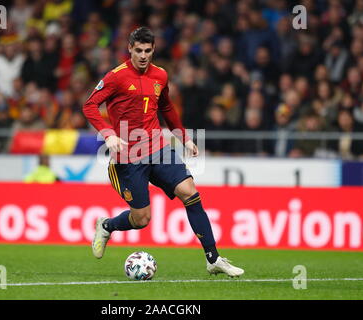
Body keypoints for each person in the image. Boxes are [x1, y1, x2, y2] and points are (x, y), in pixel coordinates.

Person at [82, 27, 244, 277]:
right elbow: (90, 105)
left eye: (148, 50)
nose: (143, 55)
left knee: (190, 192)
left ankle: (213, 258)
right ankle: (107, 226)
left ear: (153, 50)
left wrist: (184, 138)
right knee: (142, 219)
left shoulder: (160, 75)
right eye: (138, 50)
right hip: (128, 156)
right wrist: (108, 133)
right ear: (130, 49)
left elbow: (167, 108)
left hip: (158, 148)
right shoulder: (116, 77)